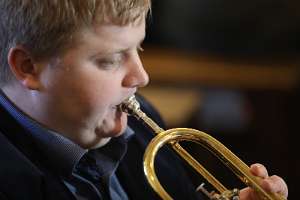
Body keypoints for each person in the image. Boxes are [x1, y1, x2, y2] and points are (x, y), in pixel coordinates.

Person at [0, 1, 288, 200]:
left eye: (139, 48)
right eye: (111, 60)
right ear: (28, 66)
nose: (141, 76)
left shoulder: (140, 126)